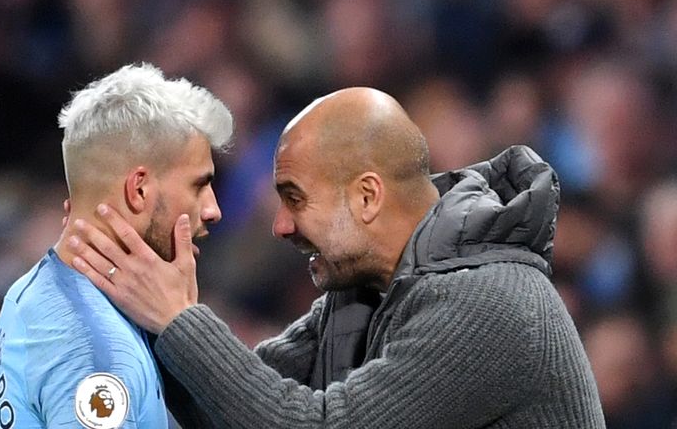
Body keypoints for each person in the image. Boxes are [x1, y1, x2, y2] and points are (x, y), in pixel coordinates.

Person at [67, 87, 606, 427]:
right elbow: (228, 403)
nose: (280, 226)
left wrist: (179, 318)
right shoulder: (369, 291)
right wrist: (132, 302)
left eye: (294, 197)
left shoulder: (488, 303)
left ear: (367, 196)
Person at [0, 63, 233, 428]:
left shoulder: (30, 291)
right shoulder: (97, 354)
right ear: (139, 189)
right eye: (199, 185)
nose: (213, 210)